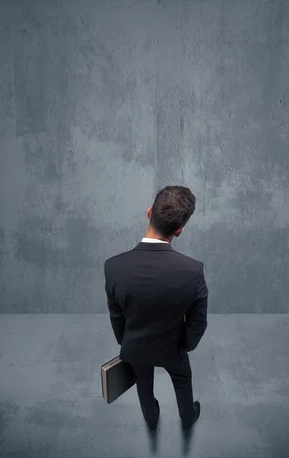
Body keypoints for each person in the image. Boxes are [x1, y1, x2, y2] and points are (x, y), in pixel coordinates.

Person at [104, 185, 208, 431]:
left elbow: (116, 316)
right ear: (180, 231)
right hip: (174, 348)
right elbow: (198, 322)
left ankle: (151, 417)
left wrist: (128, 342)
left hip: (136, 346)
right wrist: (185, 346)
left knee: (143, 381)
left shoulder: (113, 266)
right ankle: (187, 417)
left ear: (149, 212)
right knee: (183, 379)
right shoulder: (193, 271)